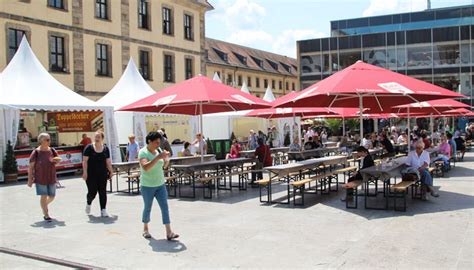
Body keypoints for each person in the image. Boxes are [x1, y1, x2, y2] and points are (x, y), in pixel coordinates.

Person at [139, 132, 178, 240]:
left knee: (165, 207)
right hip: (147, 185)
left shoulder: (159, 151)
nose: (158, 145)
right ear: (149, 141)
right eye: (156, 142)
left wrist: (166, 161)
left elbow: (164, 167)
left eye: (159, 143)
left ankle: (169, 232)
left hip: (160, 184)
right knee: (147, 207)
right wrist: (158, 157)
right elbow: (146, 167)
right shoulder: (143, 152)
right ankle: (145, 228)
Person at [27, 133, 61, 221]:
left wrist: (57, 161)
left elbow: (57, 161)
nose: (49, 141)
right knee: (44, 195)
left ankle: (43, 206)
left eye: (49, 139)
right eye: (47, 140)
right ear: (41, 141)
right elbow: (30, 167)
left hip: (51, 177)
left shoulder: (52, 150)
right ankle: (46, 214)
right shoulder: (36, 152)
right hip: (40, 178)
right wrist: (29, 179)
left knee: (52, 196)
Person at [82, 131, 113, 217]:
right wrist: (84, 172)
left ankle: (103, 210)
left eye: (98, 137)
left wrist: (111, 171)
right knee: (92, 192)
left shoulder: (106, 149)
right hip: (90, 174)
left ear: (102, 138)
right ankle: (88, 203)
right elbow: (84, 161)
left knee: (103, 192)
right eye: (95, 137)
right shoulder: (89, 148)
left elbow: (108, 161)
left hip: (102, 174)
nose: (96, 138)